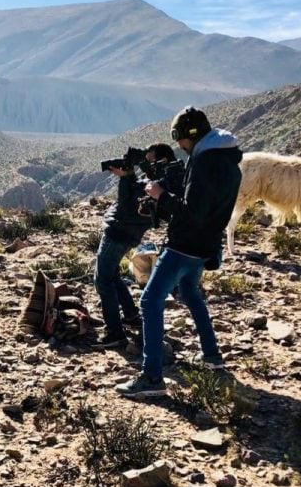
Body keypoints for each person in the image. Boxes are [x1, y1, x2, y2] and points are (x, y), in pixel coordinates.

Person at [116, 107, 242, 398]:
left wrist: (161, 197)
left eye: (180, 139)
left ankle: (152, 377)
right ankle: (211, 355)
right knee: (189, 291)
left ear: (189, 136)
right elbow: (209, 208)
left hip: (185, 244)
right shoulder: (229, 161)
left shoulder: (203, 163)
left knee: (149, 301)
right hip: (207, 244)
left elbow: (191, 212)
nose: (180, 147)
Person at [92, 143, 178, 349]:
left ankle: (114, 333)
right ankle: (130, 315)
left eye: (149, 160)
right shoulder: (159, 184)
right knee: (112, 275)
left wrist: (126, 177)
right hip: (127, 234)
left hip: (118, 233)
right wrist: (129, 177)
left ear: (161, 161)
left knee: (102, 280)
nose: (145, 165)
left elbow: (125, 207)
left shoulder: (155, 187)